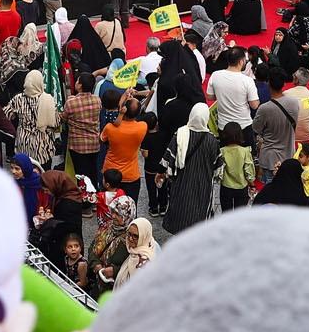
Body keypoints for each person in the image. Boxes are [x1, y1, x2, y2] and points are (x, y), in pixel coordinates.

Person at [160, 102, 219, 235]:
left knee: (181, 213)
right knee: (199, 216)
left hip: (181, 184)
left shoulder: (180, 134)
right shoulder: (212, 140)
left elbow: (168, 160)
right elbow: (217, 167)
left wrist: (162, 174)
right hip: (202, 186)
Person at [4, 69, 59, 169]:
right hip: (43, 146)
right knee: (43, 173)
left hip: (23, 143)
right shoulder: (48, 99)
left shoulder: (18, 99)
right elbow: (56, 123)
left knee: (25, 171)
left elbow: (5, 115)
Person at [99, 96, 149, 203]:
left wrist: (120, 110)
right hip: (131, 175)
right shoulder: (143, 127)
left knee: (108, 207)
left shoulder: (110, 128)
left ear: (123, 109)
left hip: (111, 173)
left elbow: (102, 139)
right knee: (130, 207)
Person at [111, 217, 157, 290]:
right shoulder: (146, 244)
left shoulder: (144, 260)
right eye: (129, 234)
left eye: (135, 236)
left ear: (144, 236)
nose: (130, 239)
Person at [217, 121, 253, 212]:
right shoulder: (245, 151)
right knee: (239, 215)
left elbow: (218, 170)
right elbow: (249, 171)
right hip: (241, 187)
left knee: (226, 214)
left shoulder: (221, 151)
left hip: (226, 186)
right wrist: (252, 183)